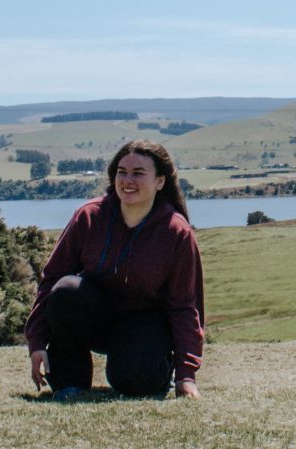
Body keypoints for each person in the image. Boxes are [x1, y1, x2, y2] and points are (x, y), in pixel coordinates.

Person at [24, 139, 205, 401]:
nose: (128, 180)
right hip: (97, 317)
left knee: (134, 380)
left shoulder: (177, 232)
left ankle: (153, 369)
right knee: (66, 290)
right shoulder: (88, 216)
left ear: (160, 182)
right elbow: (51, 279)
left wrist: (186, 376)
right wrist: (37, 342)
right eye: (122, 172)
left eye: (138, 173)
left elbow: (185, 306)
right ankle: (70, 384)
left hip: (145, 325)